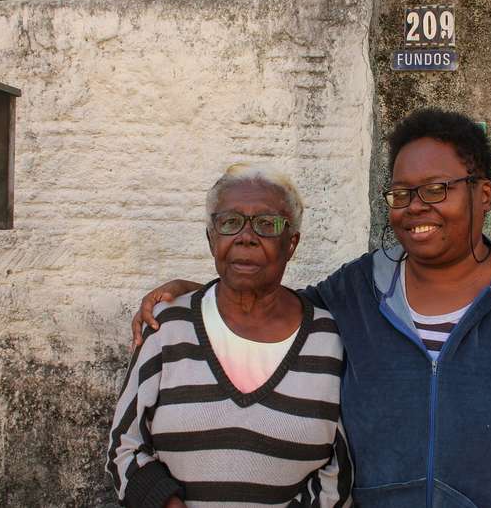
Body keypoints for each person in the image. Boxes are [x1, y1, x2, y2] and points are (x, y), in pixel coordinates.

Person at [131, 108, 491, 508]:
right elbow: (277, 310)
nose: (415, 207)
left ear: (484, 195)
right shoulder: (359, 288)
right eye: (401, 193)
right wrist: (202, 290)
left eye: (436, 189)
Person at [107, 164, 353, 508]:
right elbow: (125, 445)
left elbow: (339, 470)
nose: (246, 236)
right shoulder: (168, 326)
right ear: (212, 239)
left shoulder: (330, 338)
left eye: (267, 225)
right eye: (230, 222)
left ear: (291, 243)